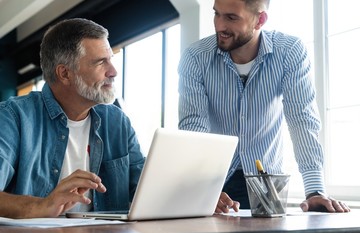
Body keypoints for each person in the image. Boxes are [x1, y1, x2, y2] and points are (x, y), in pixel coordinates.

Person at [178, 0, 350, 213]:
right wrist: (201, 189)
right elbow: (194, 128)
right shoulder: (195, 57)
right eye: (216, 14)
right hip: (214, 184)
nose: (219, 25)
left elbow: (301, 119)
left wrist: (314, 190)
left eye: (231, 17)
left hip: (267, 186)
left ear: (260, 20)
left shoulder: (289, 51)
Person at [0, 18, 145, 218]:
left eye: (110, 59)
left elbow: (144, 189)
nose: (113, 71)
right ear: (65, 73)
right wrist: (43, 206)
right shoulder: (13, 117)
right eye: (101, 62)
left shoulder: (117, 121)